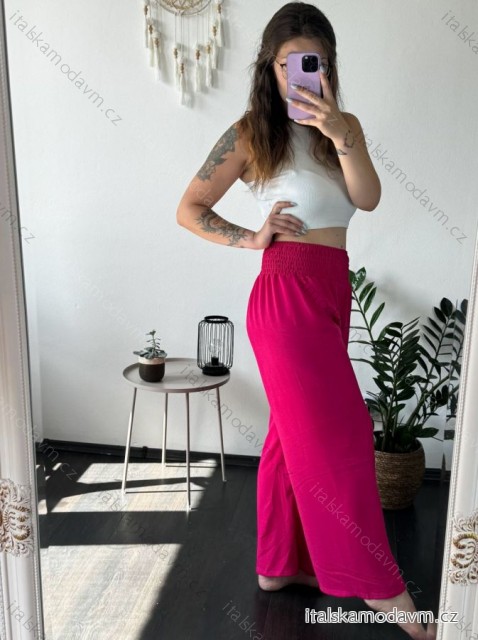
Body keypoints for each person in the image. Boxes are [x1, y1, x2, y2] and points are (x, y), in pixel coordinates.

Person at [176, 3, 436, 638]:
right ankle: (381, 588)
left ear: (329, 66)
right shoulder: (249, 134)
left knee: (288, 435)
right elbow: (190, 207)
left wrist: (341, 132)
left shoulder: (342, 130)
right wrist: (250, 237)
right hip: (285, 293)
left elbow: (367, 199)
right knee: (342, 434)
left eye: (313, 62)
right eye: (288, 63)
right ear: (269, 67)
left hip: (330, 291)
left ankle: (278, 565)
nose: (300, 74)